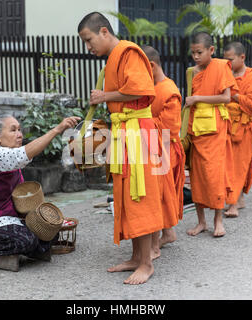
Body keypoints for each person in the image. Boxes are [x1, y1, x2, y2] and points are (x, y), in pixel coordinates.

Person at [78, 12, 165, 285]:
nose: (88, 47)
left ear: (104, 31)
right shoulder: (114, 58)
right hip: (124, 132)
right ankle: (136, 257)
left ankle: (147, 263)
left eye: (88, 40)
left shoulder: (128, 51)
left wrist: (104, 96)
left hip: (140, 131)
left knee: (142, 195)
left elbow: (140, 89)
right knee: (126, 195)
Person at [0, 113, 80, 271]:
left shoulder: (11, 159)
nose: (19, 135)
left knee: (50, 232)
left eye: (19, 129)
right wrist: (57, 129)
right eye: (13, 130)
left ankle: (19, 250)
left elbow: (21, 202)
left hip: (9, 219)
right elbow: (23, 154)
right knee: (27, 240)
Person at [184, 32, 238, 237]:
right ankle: (201, 222)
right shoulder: (192, 72)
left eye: (199, 52)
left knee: (214, 176)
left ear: (211, 50)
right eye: (193, 52)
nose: (196, 56)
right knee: (197, 176)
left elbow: (226, 98)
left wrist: (197, 98)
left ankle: (218, 220)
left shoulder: (220, 67)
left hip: (215, 128)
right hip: (197, 128)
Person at [141, 45, 185, 253]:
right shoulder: (149, 88)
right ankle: (168, 233)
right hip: (151, 146)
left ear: (150, 65)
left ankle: (155, 243)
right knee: (160, 194)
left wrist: (141, 122)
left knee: (158, 195)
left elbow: (170, 127)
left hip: (166, 149)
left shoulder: (169, 91)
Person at [223, 42, 252, 217]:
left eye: (231, 59)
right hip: (227, 126)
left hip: (244, 128)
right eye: (225, 59)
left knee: (239, 166)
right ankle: (237, 199)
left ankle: (233, 204)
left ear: (242, 57)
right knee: (228, 166)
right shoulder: (226, 75)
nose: (228, 63)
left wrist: (232, 96)